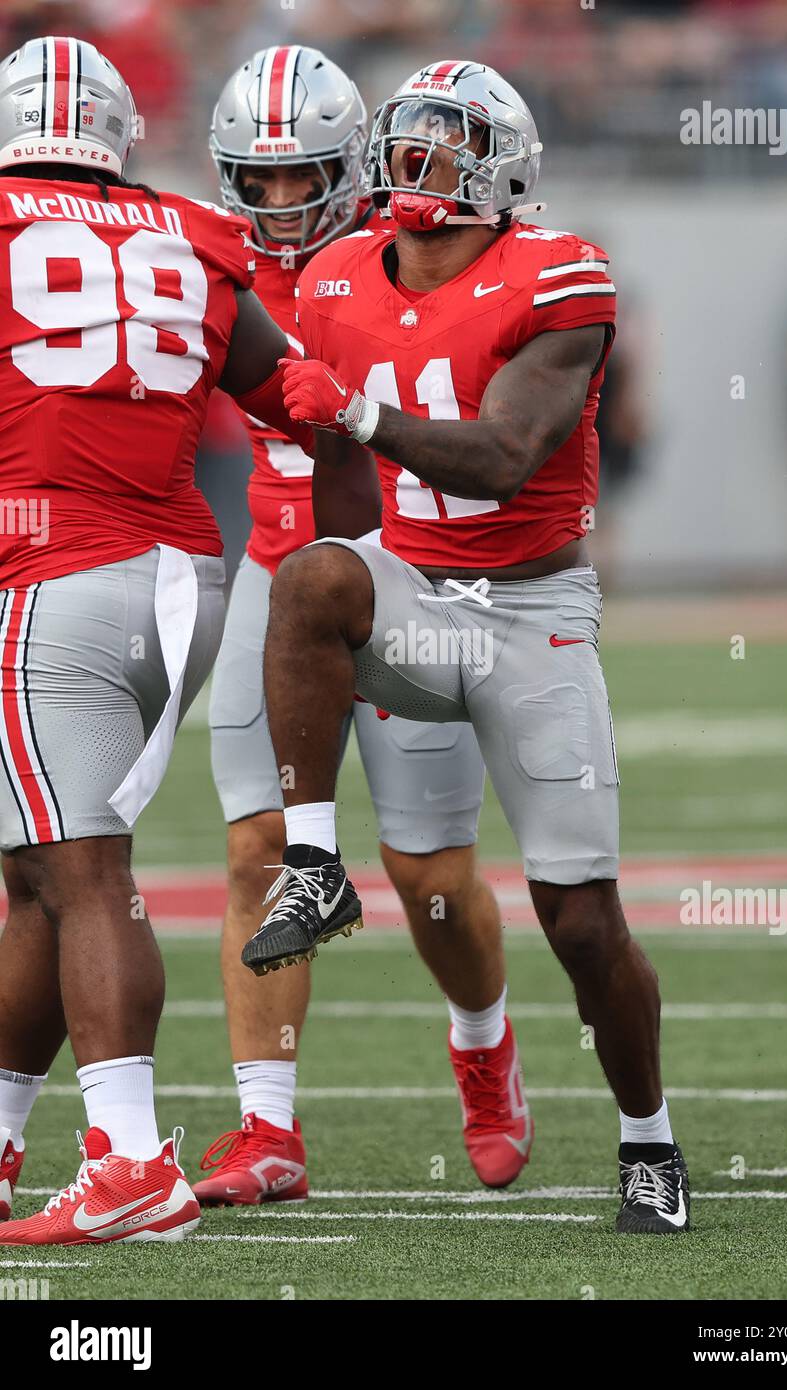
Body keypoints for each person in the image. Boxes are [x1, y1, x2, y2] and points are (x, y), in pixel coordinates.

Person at [247, 59, 690, 1235]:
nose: (409, 166)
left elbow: (502, 460)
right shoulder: (334, 273)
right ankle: (309, 861)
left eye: (436, 145)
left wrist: (352, 413)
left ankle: (647, 1140)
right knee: (308, 576)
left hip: (532, 610)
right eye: (399, 145)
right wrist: (326, 617)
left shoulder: (558, 272)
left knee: (582, 921)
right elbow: (342, 484)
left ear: (498, 166)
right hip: (409, 587)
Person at [193, 46, 531, 1207]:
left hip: (404, 574)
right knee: (257, 852)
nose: (282, 205)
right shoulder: (199, 259)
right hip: (278, 572)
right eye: (260, 180)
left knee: (427, 869)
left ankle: (482, 1044)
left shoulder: (414, 251)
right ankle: (266, 1126)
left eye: (307, 179)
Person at [0, 34, 296, 1246]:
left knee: (83, 876)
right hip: (185, 575)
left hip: (55, 577)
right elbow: (293, 395)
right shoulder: (194, 232)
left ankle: (129, 1160)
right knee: (40, 876)